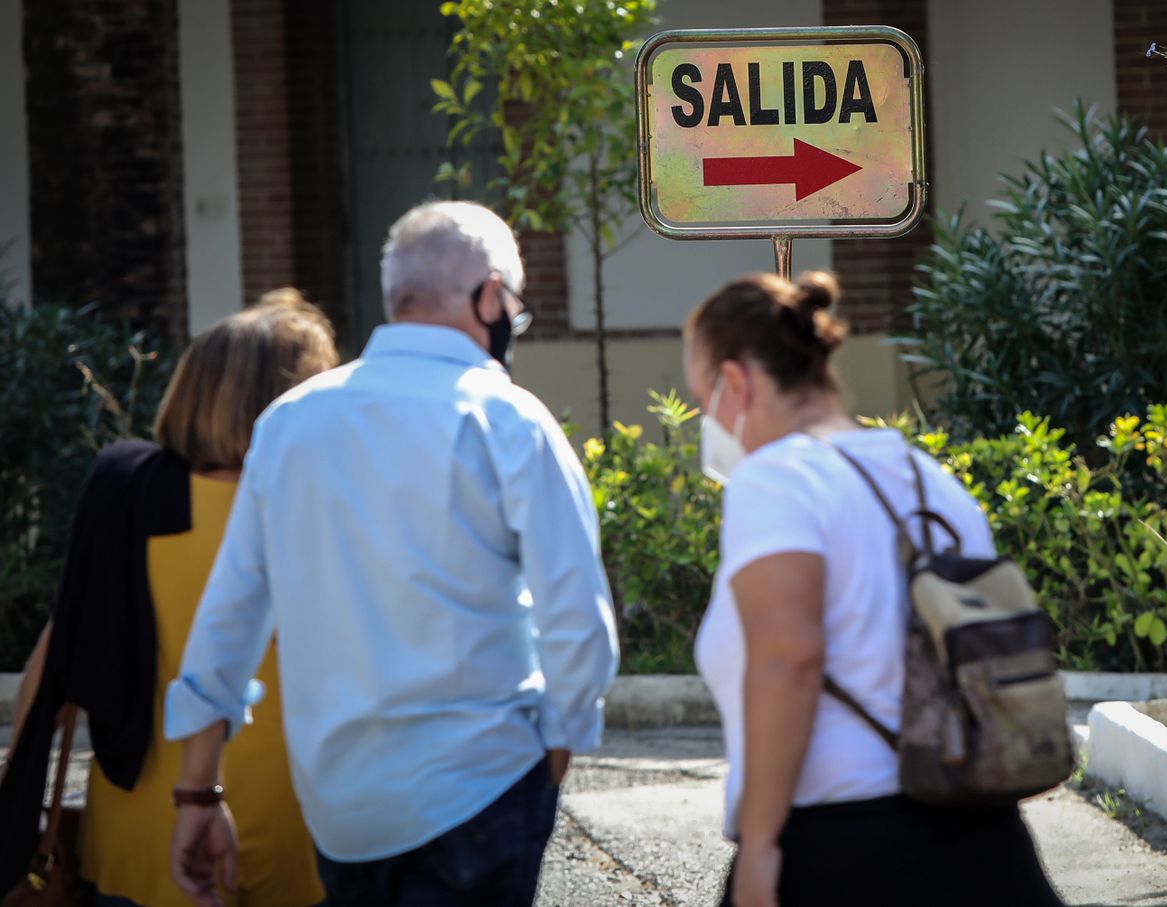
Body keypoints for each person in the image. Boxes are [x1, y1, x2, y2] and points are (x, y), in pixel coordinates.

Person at [163, 201, 620, 907]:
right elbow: (577, 617)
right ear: (490, 296)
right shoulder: (507, 418)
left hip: (341, 807)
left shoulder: (288, 423)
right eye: (515, 307)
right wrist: (561, 742)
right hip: (482, 783)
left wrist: (198, 789)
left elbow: (232, 611)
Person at [684, 271, 1064, 907]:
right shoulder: (932, 481)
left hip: (844, 850)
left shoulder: (777, 478)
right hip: (985, 843)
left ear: (736, 382)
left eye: (704, 400)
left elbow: (788, 658)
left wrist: (759, 845)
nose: (708, 421)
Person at [0, 291, 337, 907]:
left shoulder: (127, 499)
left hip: (141, 837)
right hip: (305, 832)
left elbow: (49, 673)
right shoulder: (327, 510)